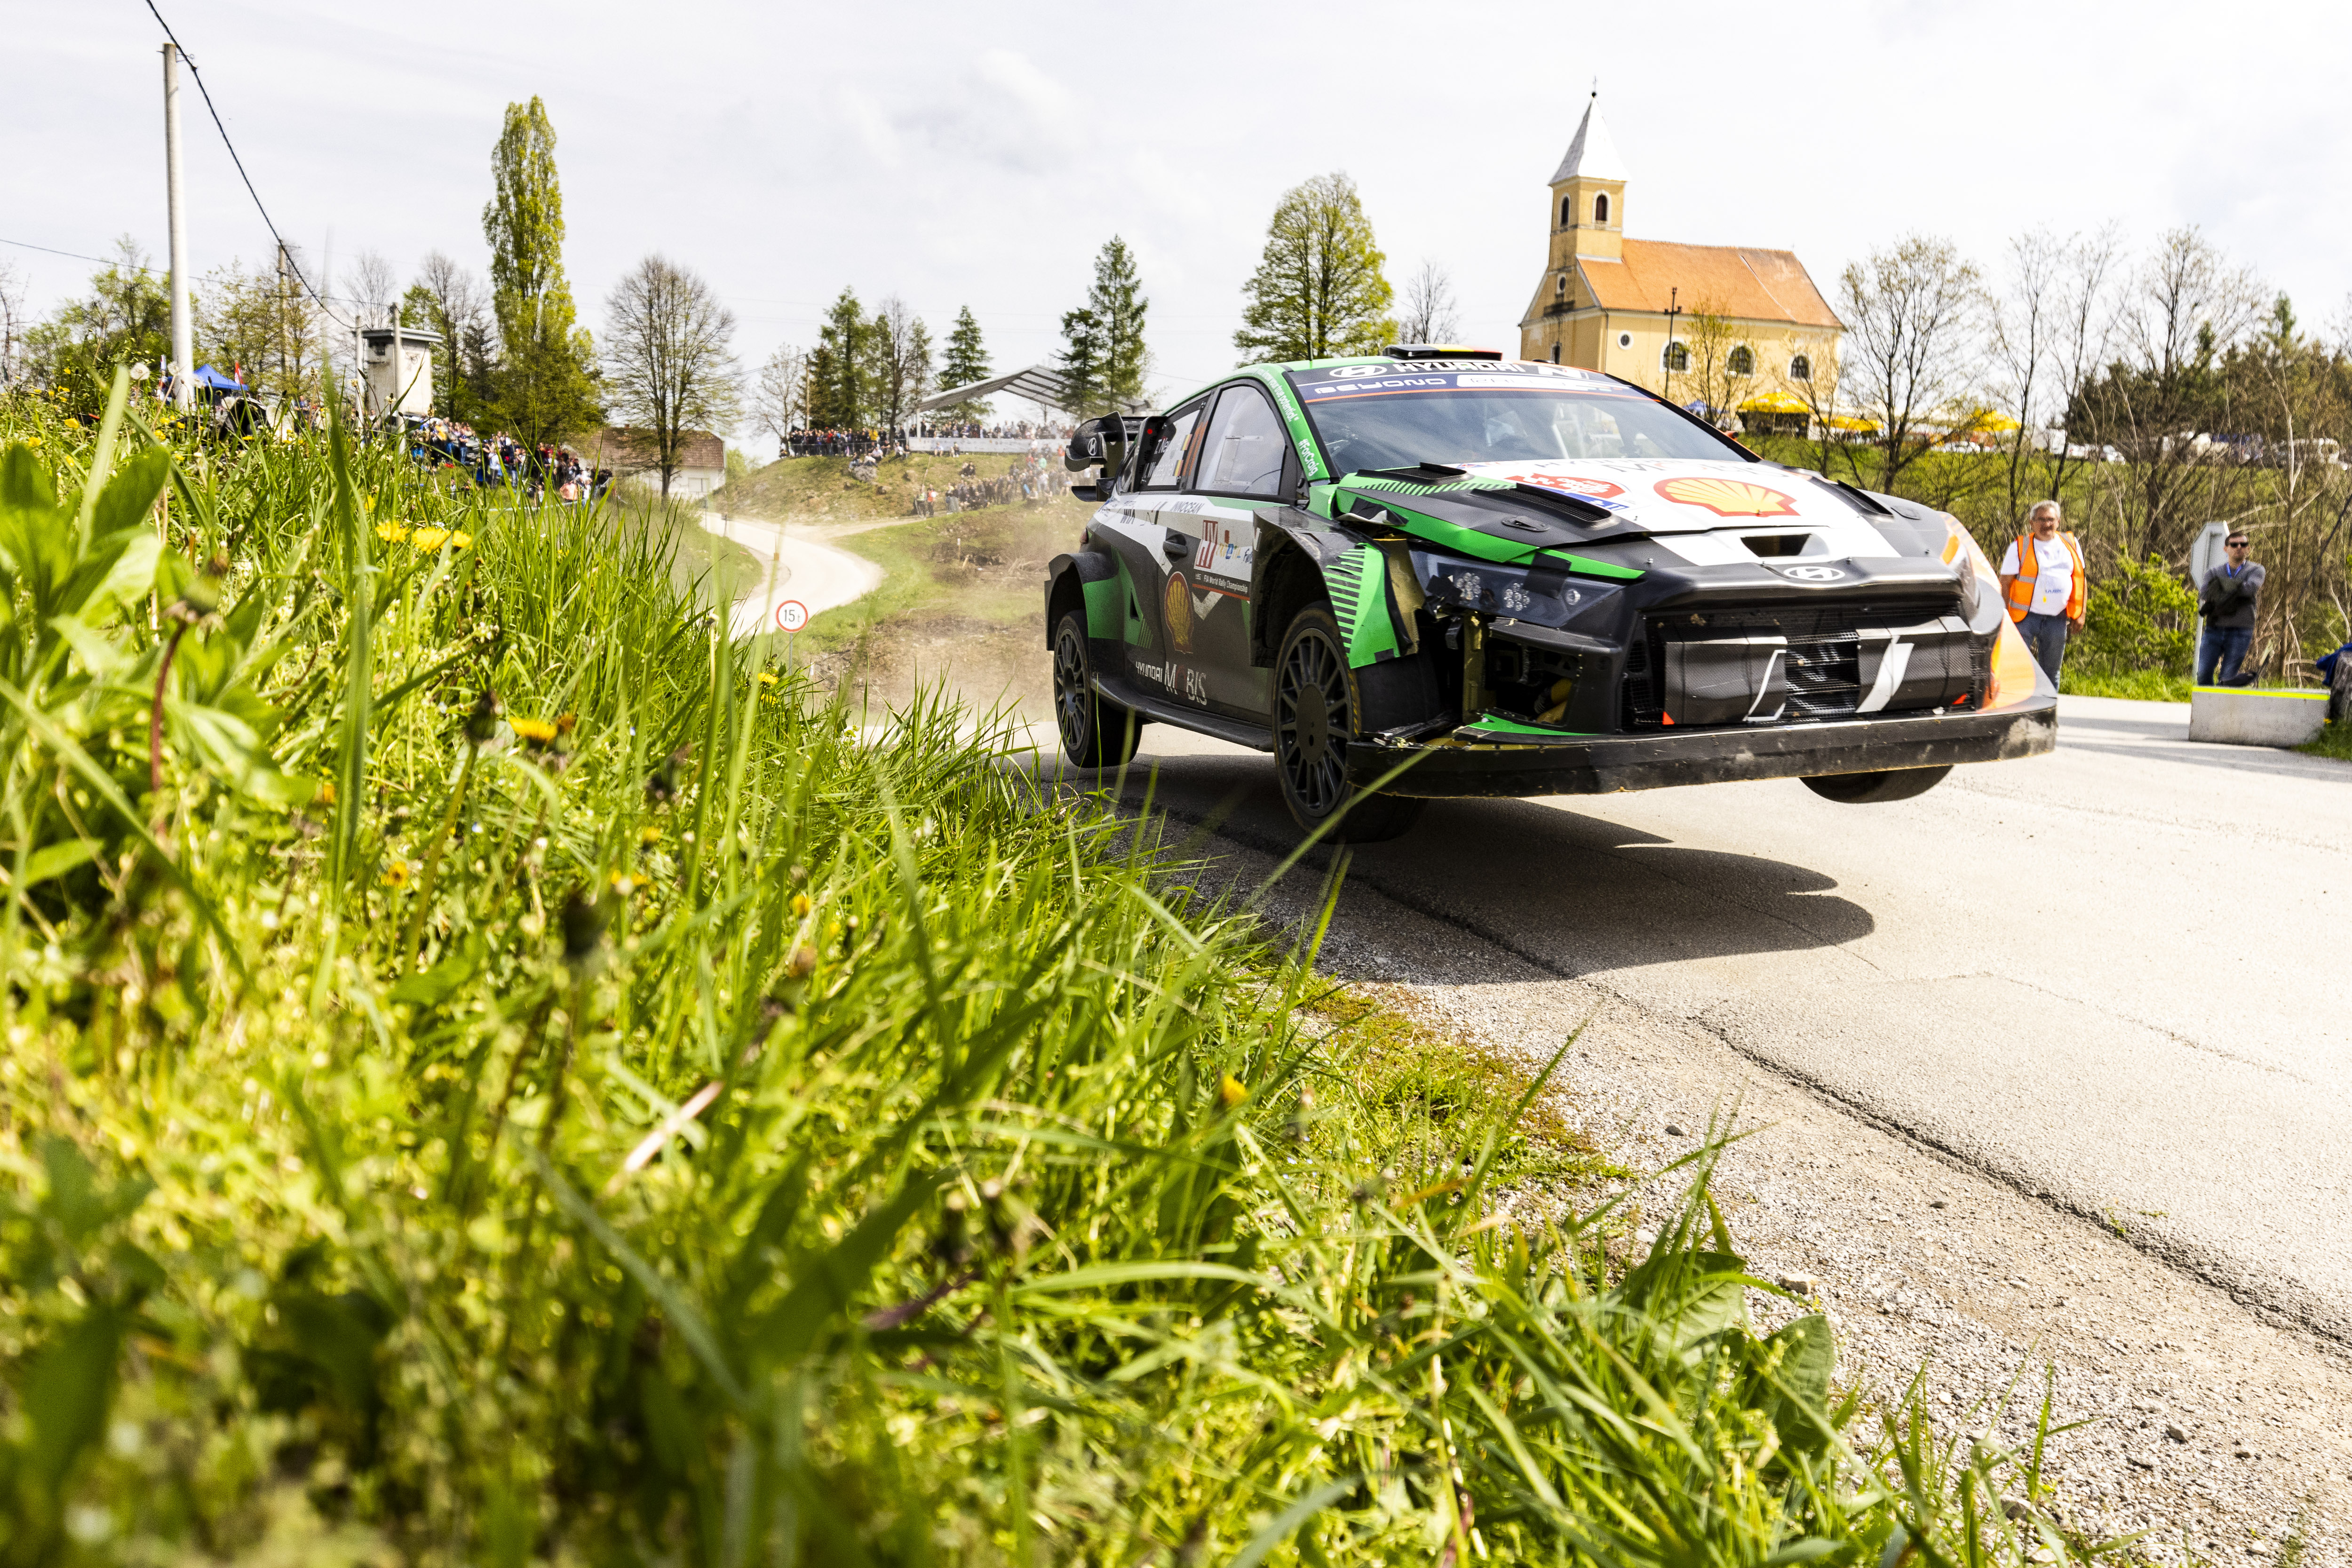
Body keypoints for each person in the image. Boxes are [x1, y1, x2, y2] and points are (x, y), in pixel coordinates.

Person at [1997, 500, 2086, 682]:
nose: (2047, 524)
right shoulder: (2019, 547)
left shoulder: (2071, 544)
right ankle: (2018, 708)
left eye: (2051, 519)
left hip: (2057, 619)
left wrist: (2082, 613)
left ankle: (2047, 710)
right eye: (2041, 519)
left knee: (2051, 674)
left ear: (2059, 521)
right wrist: (2004, 616)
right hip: (2024, 619)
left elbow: (2081, 579)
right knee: (2016, 669)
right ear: (2032, 522)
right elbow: (2005, 583)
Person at [2196, 531, 2264, 687]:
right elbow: (2205, 593)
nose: (2239, 548)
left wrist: (2220, 587)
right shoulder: (2214, 571)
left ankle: (2220, 709)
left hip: (2241, 631)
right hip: (2214, 629)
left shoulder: (2256, 570)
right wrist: (2238, 587)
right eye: (2234, 545)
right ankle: (2208, 706)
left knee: (2227, 678)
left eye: (2244, 544)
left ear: (2249, 548)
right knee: (2203, 673)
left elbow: (2249, 589)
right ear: (2226, 549)